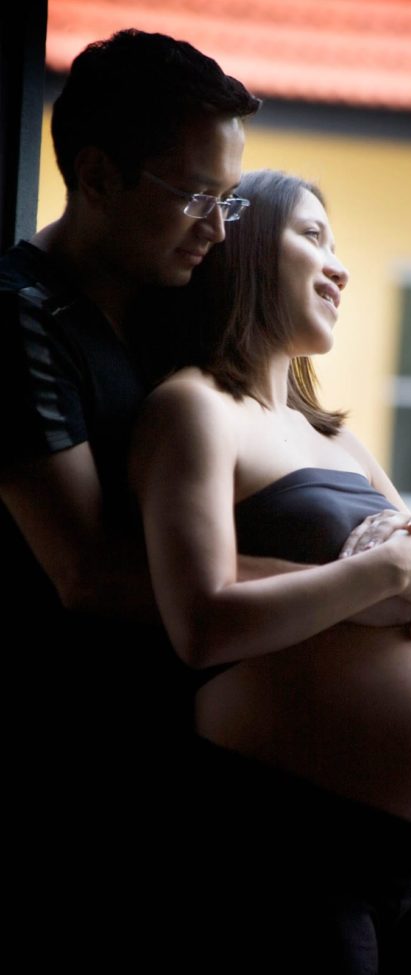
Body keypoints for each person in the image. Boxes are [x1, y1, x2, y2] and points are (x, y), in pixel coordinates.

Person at [130, 169, 411, 973]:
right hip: (294, 849)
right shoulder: (194, 409)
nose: (338, 267)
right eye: (312, 237)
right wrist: (381, 577)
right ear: (246, 249)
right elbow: (200, 624)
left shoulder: (340, 444)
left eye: (337, 244)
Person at [0, 28, 260, 944]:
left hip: (179, 773)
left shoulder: (172, 308)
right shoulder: (17, 317)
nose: (218, 227)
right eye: (196, 195)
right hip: (63, 794)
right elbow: (90, 573)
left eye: (228, 200)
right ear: (98, 176)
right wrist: (355, 588)